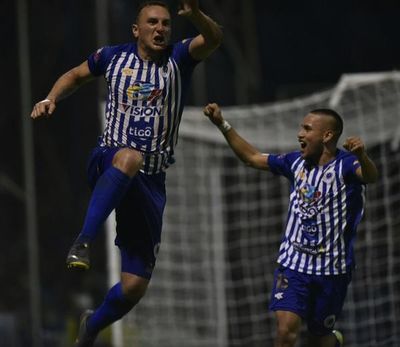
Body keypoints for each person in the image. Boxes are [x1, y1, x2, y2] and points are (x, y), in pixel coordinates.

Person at [31, 1, 222, 345]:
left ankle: (93, 325)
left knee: (134, 287)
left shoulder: (180, 59)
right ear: (137, 30)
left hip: (151, 181)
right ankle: (83, 241)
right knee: (130, 157)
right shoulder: (113, 57)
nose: (160, 28)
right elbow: (75, 75)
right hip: (109, 159)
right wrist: (51, 98)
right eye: (152, 22)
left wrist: (195, 15)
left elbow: (214, 38)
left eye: (165, 23)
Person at [203, 103, 378, 347]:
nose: (300, 134)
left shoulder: (347, 165)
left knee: (319, 338)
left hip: (332, 270)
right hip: (293, 264)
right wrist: (222, 124)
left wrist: (362, 156)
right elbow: (252, 158)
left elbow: (370, 176)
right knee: (285, 332)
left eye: (307, 129)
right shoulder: (294, 162)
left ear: (327, 135)